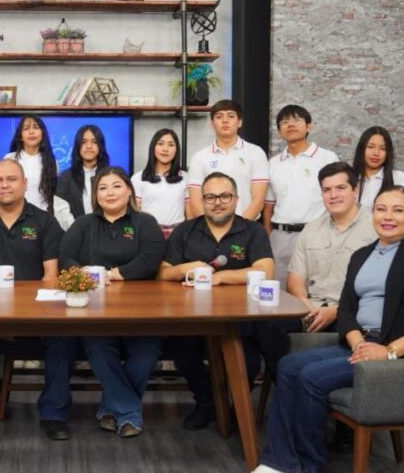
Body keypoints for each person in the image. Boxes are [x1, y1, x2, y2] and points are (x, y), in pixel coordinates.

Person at [237, 185, 404, 473]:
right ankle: (280, 462)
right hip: (360, 344)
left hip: (398, 353)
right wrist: (357, 343)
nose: (388, 217)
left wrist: (388, 351)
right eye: (381, 209)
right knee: (287, 365)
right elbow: (348, 310)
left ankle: (308, 470)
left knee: (311, 377)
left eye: (398, 210)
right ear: (373, 213)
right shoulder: (362, 256)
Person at [0, 159, 73, 440]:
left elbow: (51, 277)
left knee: (64, 338)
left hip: (36, 313)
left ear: (25, 184)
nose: (5, 185)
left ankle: (54, 413)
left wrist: (21, 316)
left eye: (11, 179)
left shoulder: (45, 222)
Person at [158, 172, 275, 430]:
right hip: (191, 317)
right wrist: (185, 269)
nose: (217, 202)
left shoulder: (253, 230)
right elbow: (164, 272)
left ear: (236, 199)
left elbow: (265, 271)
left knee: (249, 362)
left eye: (224, 196)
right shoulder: (186, 231)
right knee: (182, 351)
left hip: (239, 318)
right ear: (202, 201)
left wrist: (220, 278)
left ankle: (233, 405)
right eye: (210, 197)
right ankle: (206, 402)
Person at [59, 166, 166, 438]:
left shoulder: (145, 222)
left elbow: (152, 258)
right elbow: (65, 257)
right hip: (96, 310)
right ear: (96, 195)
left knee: (146, 353)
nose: (110, 193)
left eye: (116, 186)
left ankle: (111, 408)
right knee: (98, 348)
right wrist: (82, 273)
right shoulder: (83, 224)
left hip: (141, 310)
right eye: (103, 188)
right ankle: (128, 413)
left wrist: (115, 274)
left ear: (129, 191)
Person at [286, 162, 380, 338]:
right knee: (265, 326)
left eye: (340, 188)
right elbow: (295, 278)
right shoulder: (311, 229)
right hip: (310, 309)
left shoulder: (376, 229)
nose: (333, 195)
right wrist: (305, 305)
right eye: (327, 190)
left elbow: (379, 287)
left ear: (356, 191)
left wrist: (336, 311)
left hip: (353, 312)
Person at [263, 105, 339, 273]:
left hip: (317, 234)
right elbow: (268, 209)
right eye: (285, 122)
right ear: (279, 131)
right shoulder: (273, 164)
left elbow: (338, 200)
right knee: (279, 285)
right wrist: (269, 237)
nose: (291, 125)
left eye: (297, 120)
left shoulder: (327, 158)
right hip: (280, 237)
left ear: (309, 126)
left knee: (315, 284)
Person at [187, 99, 269, 221]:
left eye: (231, 116)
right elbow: (195, 202)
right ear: (212, 124)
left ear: (240, 122)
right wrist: (212, 228)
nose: (225, 120)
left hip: (247, 226)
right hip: (209, 228)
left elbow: (258, 200)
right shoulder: (199, 157)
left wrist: (239, 227)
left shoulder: (256, 153)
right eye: (219, 117)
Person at [131, 128, 188, 238]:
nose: (165, 149)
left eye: (171, 145)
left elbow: (190, 214)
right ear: (153, 147)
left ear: (177, 150)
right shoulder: (137, 178)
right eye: (160, 144)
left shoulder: (186, 178)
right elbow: (134, 214)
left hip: (178, 236)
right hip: (148, 234)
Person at [53, 125, 109, 230]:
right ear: (78, 146)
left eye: (94, 142)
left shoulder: (110, 175)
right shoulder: (66, 177)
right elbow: (61, 211)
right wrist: (78, 232)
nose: (89, 146)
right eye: (84, 142)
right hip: (74, 234)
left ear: (101, 146)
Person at [3, 115, 58, 212]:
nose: (31, 132)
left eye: (36, 127)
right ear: (20, 136)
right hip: (15, 214)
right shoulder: (10, 159)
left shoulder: (51, 161)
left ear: (42, 133)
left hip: (43, 215)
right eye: (26, 128)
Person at [352, 125, 404, 209]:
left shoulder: (399, 178)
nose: (376, 153)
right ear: (361, 149)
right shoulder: (350, 179)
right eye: (370, 147)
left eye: (383, 148)